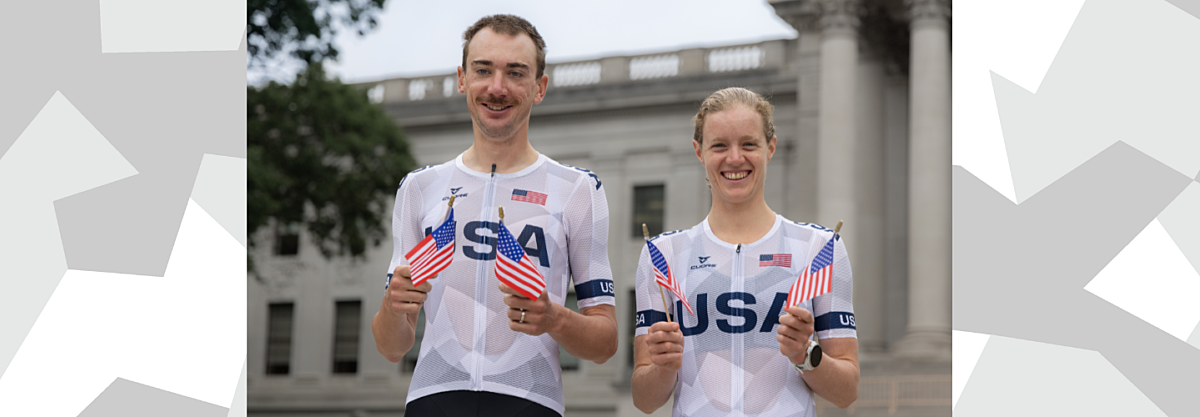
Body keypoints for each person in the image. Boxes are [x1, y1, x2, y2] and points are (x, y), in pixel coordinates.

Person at [371, 14, 618, 417]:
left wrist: (555, 318)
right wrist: (392, 305)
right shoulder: (419, 188)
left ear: (539, 88)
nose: (497, 88)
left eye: (515, 73)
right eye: (483, 70)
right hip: (434, 399)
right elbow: (391, 346)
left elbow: (606, 344)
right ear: (462, 79)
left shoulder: (577, 189)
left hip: (530, 401)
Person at [631, 87, 859, 416]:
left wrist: (805, 354)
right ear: (699, 152)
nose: (735, 158)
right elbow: (644, 399)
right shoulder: (662, 254)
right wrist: (664, 367)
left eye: (748, 144)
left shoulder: (819, 248)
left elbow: (847, 391)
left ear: (771, 147)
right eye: (720, 145)